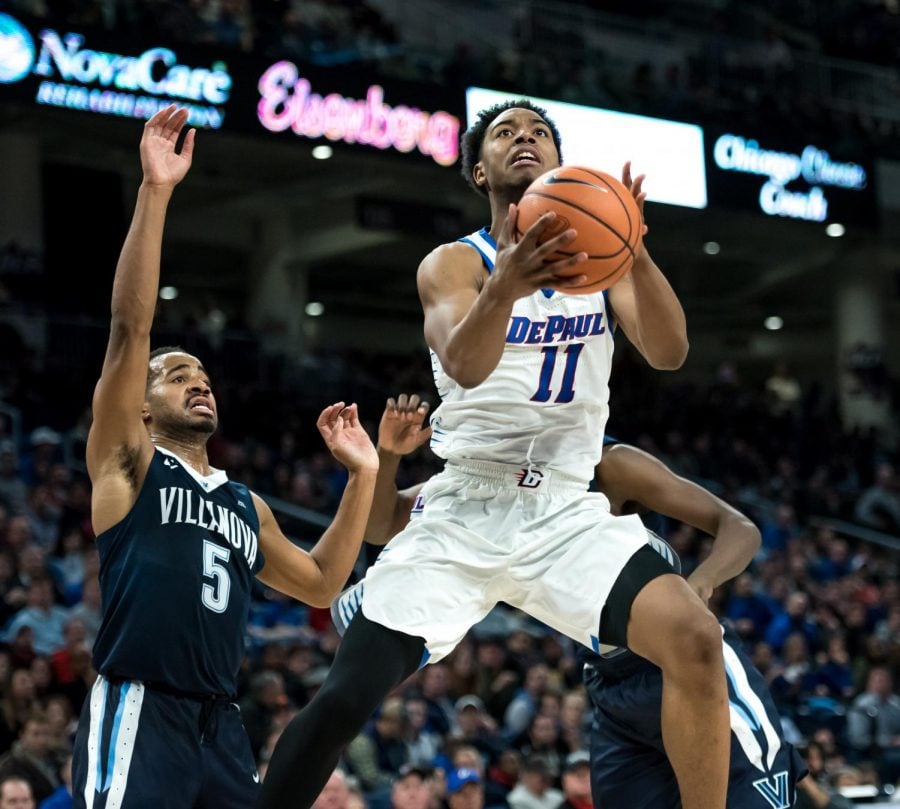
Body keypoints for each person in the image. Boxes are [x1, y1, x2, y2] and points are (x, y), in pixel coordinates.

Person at [258, 99, 728, 809]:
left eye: (540, 133)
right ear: (480, 169)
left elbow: (670, 352)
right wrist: (507, 280)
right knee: (346, 697)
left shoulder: (603, 262)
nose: (525, 140)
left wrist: (634, 245)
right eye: (507, 133)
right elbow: (467, 362)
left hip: (566, 507)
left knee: (695, 637)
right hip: (466, 505)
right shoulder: (453, 264)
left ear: (562, 164)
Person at [70, 106, 380, 809]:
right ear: (143, 407)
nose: (198, 381)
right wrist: (156, 192)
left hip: (222, 723)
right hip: (142, 705)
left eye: (204, 374)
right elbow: (129, 329)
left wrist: (362, 476)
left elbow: (325, 583)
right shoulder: (128, 463)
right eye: (178, 374)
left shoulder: (245, 504)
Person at [336, 394, 808, 808]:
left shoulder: (610, 463)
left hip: (686, 668)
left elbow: (739, 527)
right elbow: (382, 524)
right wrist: (389, 457)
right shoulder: (490, 476)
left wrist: (702, 583)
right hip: (612, 687)